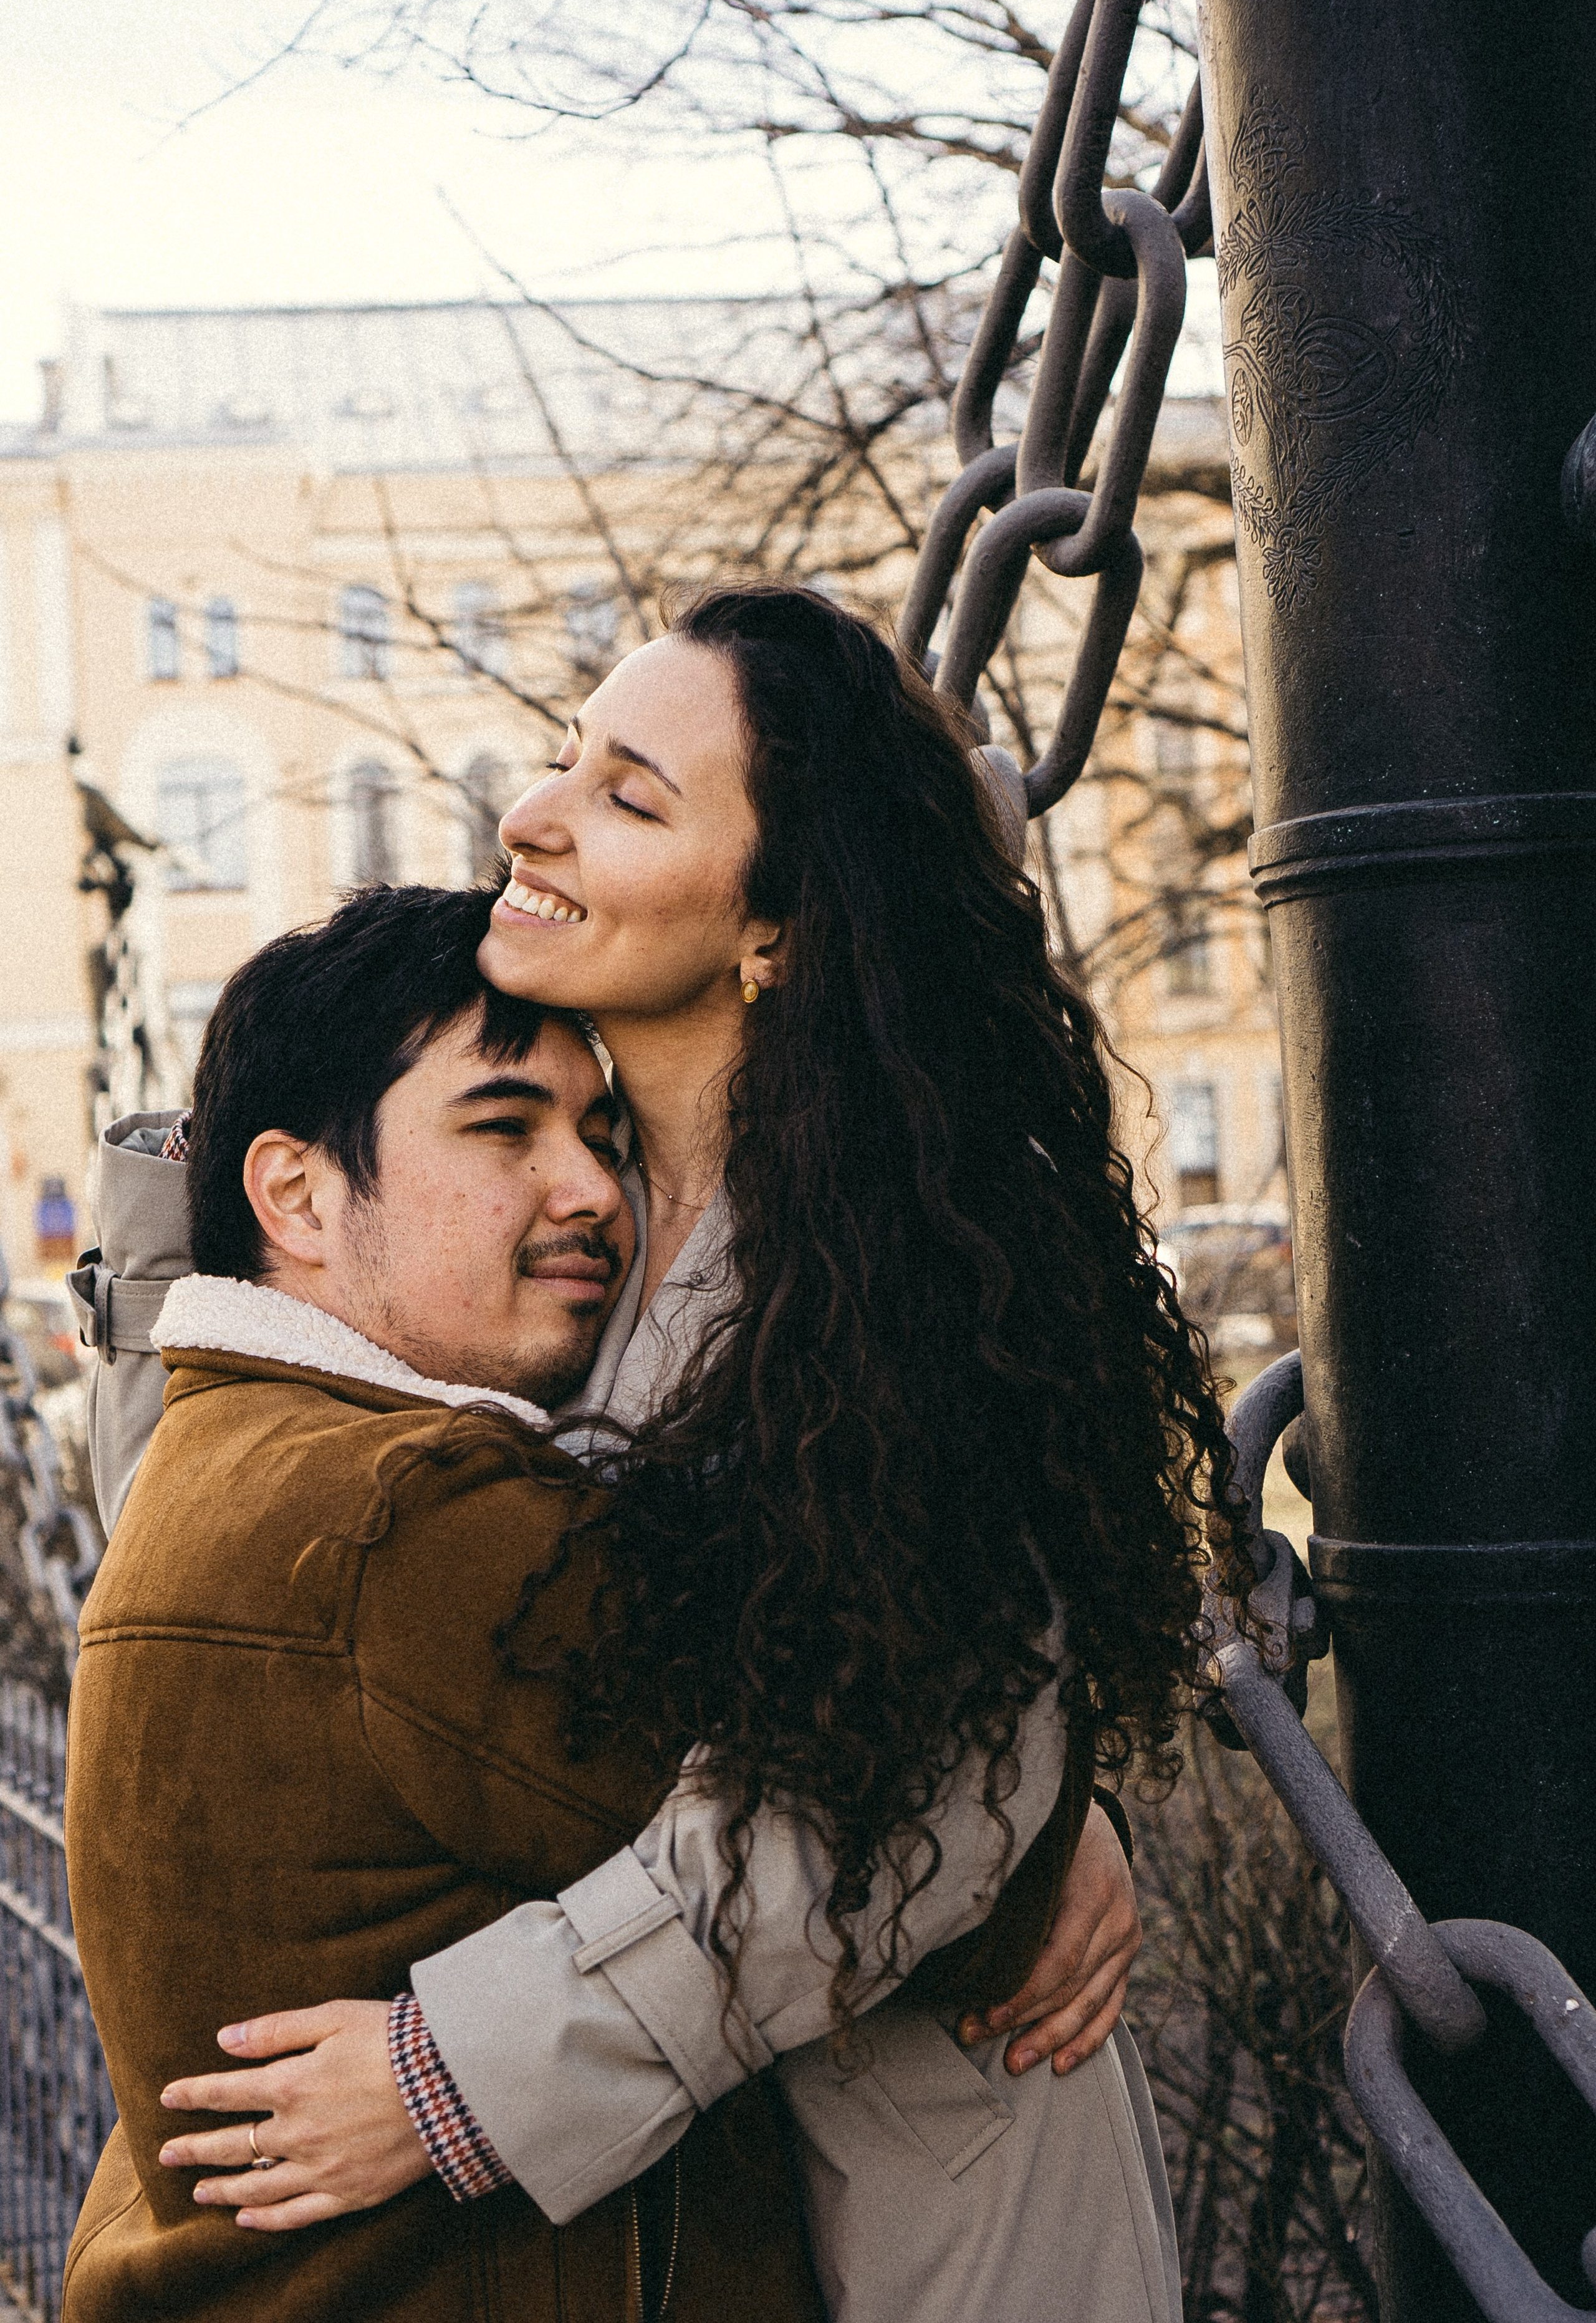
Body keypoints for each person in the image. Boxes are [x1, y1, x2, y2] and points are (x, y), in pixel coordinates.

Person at [139, 584, 1242, 2319]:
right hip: (703, 2212)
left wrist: (449, 2082)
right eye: (571, 756)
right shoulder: (593, 1226)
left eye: (630, 796)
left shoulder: (894, 1276)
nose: (534, 809)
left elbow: (867, 1806)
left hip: (933, 2210)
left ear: (774, 936)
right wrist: (1022, 1811)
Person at [65, 885, 1095, 2321]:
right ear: (292, 1195)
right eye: (504, 1130)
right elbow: (908, 1842)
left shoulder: (228, 1452)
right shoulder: (413, 1513)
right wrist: (1062, 1825)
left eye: (605, 1138)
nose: (591, 1192)